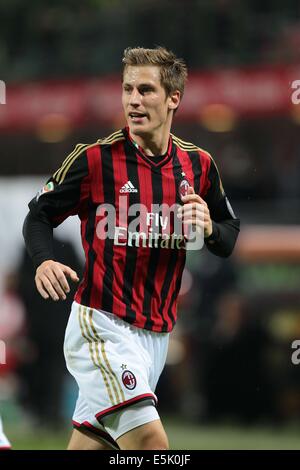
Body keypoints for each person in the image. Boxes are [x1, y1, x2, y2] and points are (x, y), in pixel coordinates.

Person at [23, 46, 240, 450]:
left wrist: (210, 227)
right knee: (150, 446)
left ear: (174, 98)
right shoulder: (94, 160)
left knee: (93, 447)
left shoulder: (200, 165)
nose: (133, 101)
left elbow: (229, 235)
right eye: (127, 90)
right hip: (101, 326)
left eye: (145, 90)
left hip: (156, 338)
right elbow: (38, 216)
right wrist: (43, 260)